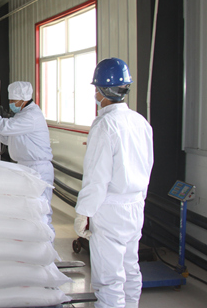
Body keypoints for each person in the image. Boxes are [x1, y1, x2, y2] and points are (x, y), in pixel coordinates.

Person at [74, 58, 154, 308]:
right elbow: (148, 164)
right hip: (135, 206)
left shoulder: (104, 125)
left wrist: (83, 213)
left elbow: (97, 179)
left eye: (96, 89)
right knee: (130, 268)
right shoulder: (140, 121)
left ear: (102, 90)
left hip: (110, 210)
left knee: (109, 279)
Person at [0, 81, 54, 232]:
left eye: (14, 101)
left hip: (38, 168)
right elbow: (7, 138)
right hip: (25, 166)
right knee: (26, 208)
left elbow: (5, 127)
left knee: (41, 209)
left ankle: (47, 241)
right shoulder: (22, 116)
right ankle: (30, 239)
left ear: (23, 100)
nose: (11, 104)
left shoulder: (31, 116)